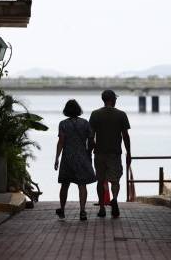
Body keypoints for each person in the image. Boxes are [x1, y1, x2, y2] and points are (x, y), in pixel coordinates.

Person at [89, 89, 131, 218]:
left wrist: (90, 150)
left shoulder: (95, 114)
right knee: (115, 180)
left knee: (100, 181)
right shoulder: (121, 114)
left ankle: (102, 208)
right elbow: (125, 136)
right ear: (113, 100)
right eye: (116, 99)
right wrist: (128, 152)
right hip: (115, 153)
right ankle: (115, 199)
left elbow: (90, 136)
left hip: (99, 153)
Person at [54, 99, 96, 221]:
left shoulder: (63, 124)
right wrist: (89, 152)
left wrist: (57, 158)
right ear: (78, 110)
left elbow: (61, 142)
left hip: (67, 157)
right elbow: (91, 141)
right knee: (82, 184)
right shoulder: (85, 123)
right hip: (82, 156)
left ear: (66, 111)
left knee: (65, 185)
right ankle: (82, 211)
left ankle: (62, 209)